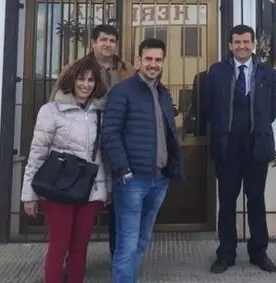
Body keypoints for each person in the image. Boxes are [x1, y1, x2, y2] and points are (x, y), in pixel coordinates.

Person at [21, 57, 110, 283]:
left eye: (90, 80)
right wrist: (29, 195)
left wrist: (106, 188)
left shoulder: (101, 112)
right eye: (81, 79)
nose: (85, 85)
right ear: (71, 80)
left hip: (89, 190)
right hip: (58, 188)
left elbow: (104, 155)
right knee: (58, 245)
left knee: (80, 246)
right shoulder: (51, 111)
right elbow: (37, 152)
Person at [101, 38, 183, 283]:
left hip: (159, 179)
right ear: (139, 60)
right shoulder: (122, 91)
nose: (153, 64)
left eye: (158, 60)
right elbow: (110, 133)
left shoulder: (163, 93)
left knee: (141, 240)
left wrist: (172, 168)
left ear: (163, 62)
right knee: (127, 242)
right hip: (132, 180)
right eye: (148, 59)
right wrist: (123, 169)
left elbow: (169, 134)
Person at [54, 23, 134, 256]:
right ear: (93, 42)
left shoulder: (128, 71)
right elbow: (56, 105)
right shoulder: (75, 68)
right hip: (82, 147)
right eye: (103, 40)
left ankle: (118, 259)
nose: (107, 44)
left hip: (119, 147)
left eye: (112, 40)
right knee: (77, 206)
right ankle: (70, 260)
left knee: (119, 207)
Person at [206, 24, 276, 274]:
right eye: (237, 42)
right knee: (227, 201)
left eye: (246, 42)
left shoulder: (267, 72)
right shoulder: (216, 72)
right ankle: (226, 253)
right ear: (230, 45)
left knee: (256, 199)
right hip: (227, 147)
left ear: (254, 44)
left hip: (256, 146)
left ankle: (258, 252)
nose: (242, 46)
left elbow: (272, 110)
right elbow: (209, 108)